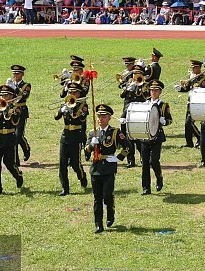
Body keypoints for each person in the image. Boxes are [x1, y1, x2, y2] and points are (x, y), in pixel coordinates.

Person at [84, 104, 128, 233]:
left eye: (103, 116)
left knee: (107, 195)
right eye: (98, 116)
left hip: (108, 168)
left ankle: (110, 213)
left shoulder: (115, 132)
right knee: (97, 198)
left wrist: (118, 158)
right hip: (96, 168)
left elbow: (127, 146)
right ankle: (98, 224)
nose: (100, 119)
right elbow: (86, 151)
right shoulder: (92, 132)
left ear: (109, 118)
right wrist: (92, 145)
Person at [0, 84, 23, 195]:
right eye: (2, 96)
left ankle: (18, 176)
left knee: (9, 163)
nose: (3, 98)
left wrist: (6, 109)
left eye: (6, 96)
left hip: (10, 139)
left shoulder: (16, 109)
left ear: (11, 96)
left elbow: (14, 121)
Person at [136, 80, 172, 194]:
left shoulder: (163, 105)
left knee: (154, 160)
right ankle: (146, 188)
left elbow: (169, 120)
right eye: (152, 90)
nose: (153, 92)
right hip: (145, 136)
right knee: (145, 163)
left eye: (156, 90)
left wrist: (164, 121)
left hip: (157, 136)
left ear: (160, 92)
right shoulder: (145, 103)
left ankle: (159, 177)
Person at [55, 83, 88, 196]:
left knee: (75, 164)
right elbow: (56, 117)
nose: (72, 94)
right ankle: (65, 188)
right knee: (62, 164)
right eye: (70, 92)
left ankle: (82, 176)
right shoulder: (65, 104)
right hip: (65, 136)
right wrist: (62, 108)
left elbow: (82, 118)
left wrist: (73, 108)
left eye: (74, 92)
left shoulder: (83, 105)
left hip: (76, 136)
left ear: (79, 94)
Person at [173, 59, 205, 148]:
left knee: (189, 122)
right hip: (190, 102)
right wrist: (180, 88)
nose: (192, 70)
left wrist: (190, 81)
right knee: (186, 123)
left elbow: (198, 89)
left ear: (198, 68)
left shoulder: (203, 78)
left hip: (198, 102)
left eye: (194, 68)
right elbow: (187, 88)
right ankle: (189, 142)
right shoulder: (192, 77)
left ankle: (199, 137)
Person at [6, 64, 33, 163]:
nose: (15, 76)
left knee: (18, 135)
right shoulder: (10, 84)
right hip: (12, 111)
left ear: (22, 74)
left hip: (21, 111)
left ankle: (26, 149)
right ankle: (15, 160)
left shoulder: (26, 85)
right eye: (14, 74)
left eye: (17, 74)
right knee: (13, 136)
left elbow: (23, 97)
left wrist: (15, 88)